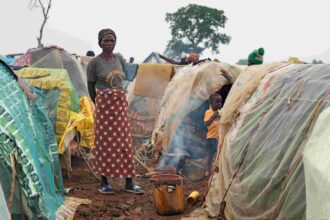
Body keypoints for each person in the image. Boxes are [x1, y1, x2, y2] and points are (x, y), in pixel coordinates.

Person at [87, 28, 144, 194]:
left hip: (119, 106)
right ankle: (104, 182)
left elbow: (121, 82)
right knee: (105, 144)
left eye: (112, 40)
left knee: (124, 142)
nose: (109, 43)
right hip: (104, 108)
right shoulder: (94, 63)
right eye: (106, 40)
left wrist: (117, 100)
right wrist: (100, 103)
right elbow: (91, 87)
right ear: (100, 43)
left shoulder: (120, 59)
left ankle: (129, 182)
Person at [204, 93, 223, 177]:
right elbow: (206, 124)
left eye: (220, 102)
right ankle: (207, 170)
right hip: (210, 138)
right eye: (217, 102)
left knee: (217, 154)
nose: (219, 104)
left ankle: (215, 170)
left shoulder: (220, 112)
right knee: (210, 155)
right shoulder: (208, 112)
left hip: (217, 137)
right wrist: (213, 117)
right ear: (211, 103)